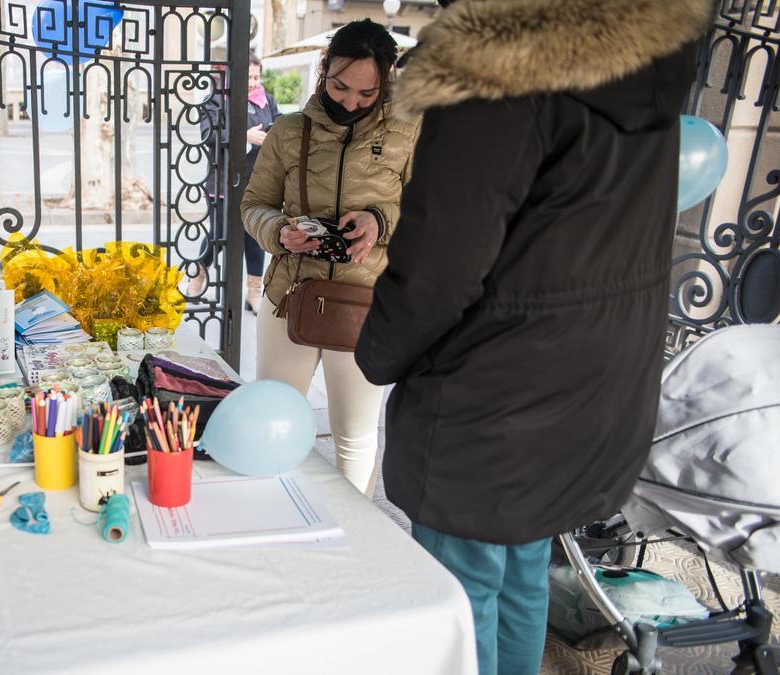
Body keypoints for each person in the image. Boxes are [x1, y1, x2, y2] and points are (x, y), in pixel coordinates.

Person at [353, 1, 709, 673]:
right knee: (520, 577)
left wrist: (378, 351)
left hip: (492, 400)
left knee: (461, 596)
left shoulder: (498, 72)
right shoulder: (640, 62)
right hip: (589, 389)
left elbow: (439, 263)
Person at [241, 19, 420, 494]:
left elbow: (430, 213)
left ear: (386, 82)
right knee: (276, 428)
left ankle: (351, 548)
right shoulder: (288, 130)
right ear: (324, 71)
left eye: (367, 93)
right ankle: (279, 525)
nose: (350, 102)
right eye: (340, 86)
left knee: (355, 439)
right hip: (288, 298)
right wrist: (280, 231)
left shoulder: (410, 132)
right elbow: (252, 205)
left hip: (366, 306)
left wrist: (379, 222)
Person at [190, 53, 279, 314]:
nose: (252, 82)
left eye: (256, 76)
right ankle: (198, 274)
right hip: (223, 183)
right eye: (247, 77)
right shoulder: (216, 100)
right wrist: (245, 136)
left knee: (255, 236)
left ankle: (253, 292)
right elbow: (208, 134)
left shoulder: (267, 101)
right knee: (219, 234)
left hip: (257, 181)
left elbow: (280, 128)